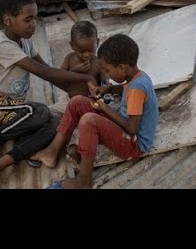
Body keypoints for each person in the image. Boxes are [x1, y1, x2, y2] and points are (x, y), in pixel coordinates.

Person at [0, 0, 98, 189]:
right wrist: (86, 77)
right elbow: (45, 73)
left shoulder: (25, 41)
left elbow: (49, 72)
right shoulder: (3, 46)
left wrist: (76, 97)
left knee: (57, 121)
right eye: (28, 19)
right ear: (8, 20)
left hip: (16, 113)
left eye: (35, 18)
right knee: (40, 112)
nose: (33, 24)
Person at [33, 34, 158, 189]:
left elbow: (132, 128)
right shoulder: (137, 77)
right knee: (77, 102)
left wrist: (104, 107)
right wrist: (110, 88)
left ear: (122, 68)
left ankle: (83, 181)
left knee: (89, 121)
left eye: (108, 70)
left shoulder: (137, 89)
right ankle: (51, 152)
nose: (108, 75)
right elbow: (126, 88)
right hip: (126, 130)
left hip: (134, 144)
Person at [60, 21, 108, 98]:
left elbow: (104, 82)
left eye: (90, 51)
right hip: (71, 100)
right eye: (81, 52)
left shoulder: (99, 62)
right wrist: (74, 71)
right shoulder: (69, 58)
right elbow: (60, 78)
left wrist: (104, 87)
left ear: (97, 42)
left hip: (92, 101)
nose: (86, 55)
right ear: (72, 45)